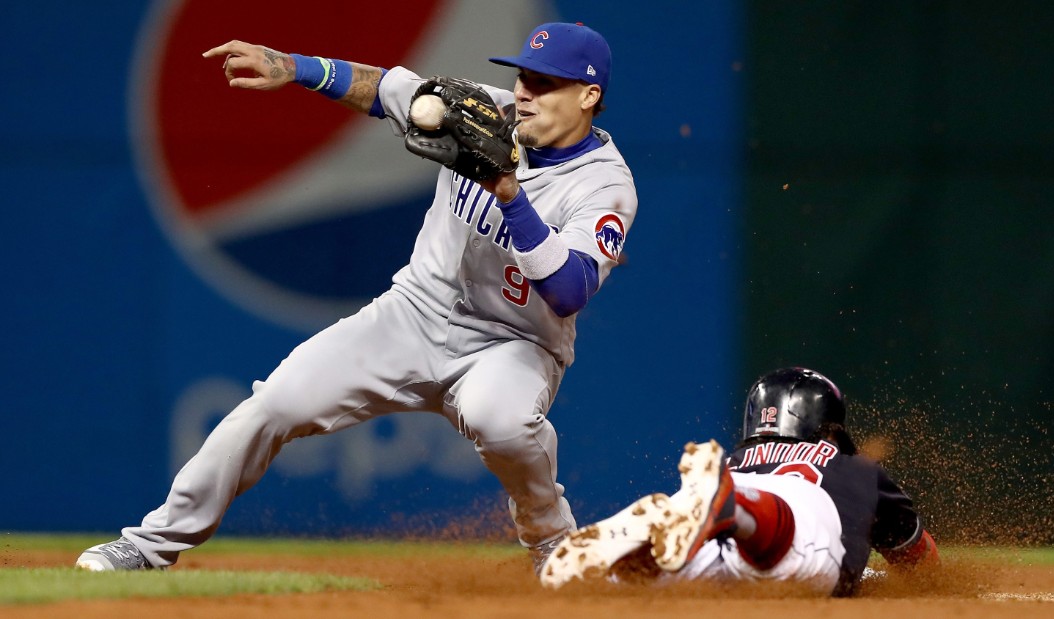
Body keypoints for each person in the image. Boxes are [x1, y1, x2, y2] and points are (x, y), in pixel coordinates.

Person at [75, 22, 636, 574]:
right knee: (276, 403)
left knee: (503, 420)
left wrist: (509, 194)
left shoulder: (604, 185)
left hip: (513, 342)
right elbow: (385, 87)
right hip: (415, 312)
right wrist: (293, 66)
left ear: (589, 96)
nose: (524, 93)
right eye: (522, 78)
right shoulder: (485, 114)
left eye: (545, 83)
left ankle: (551, 542)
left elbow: (567, 293)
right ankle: (149, 545)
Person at [540, 367, 939, 596]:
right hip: (787, 518)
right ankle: (735, 508)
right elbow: (921, 565)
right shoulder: (853, 468)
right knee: (797, 553)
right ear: (827, 428)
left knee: (679, 572)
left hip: (715, 544)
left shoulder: (735, 459)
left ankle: (619, 567)